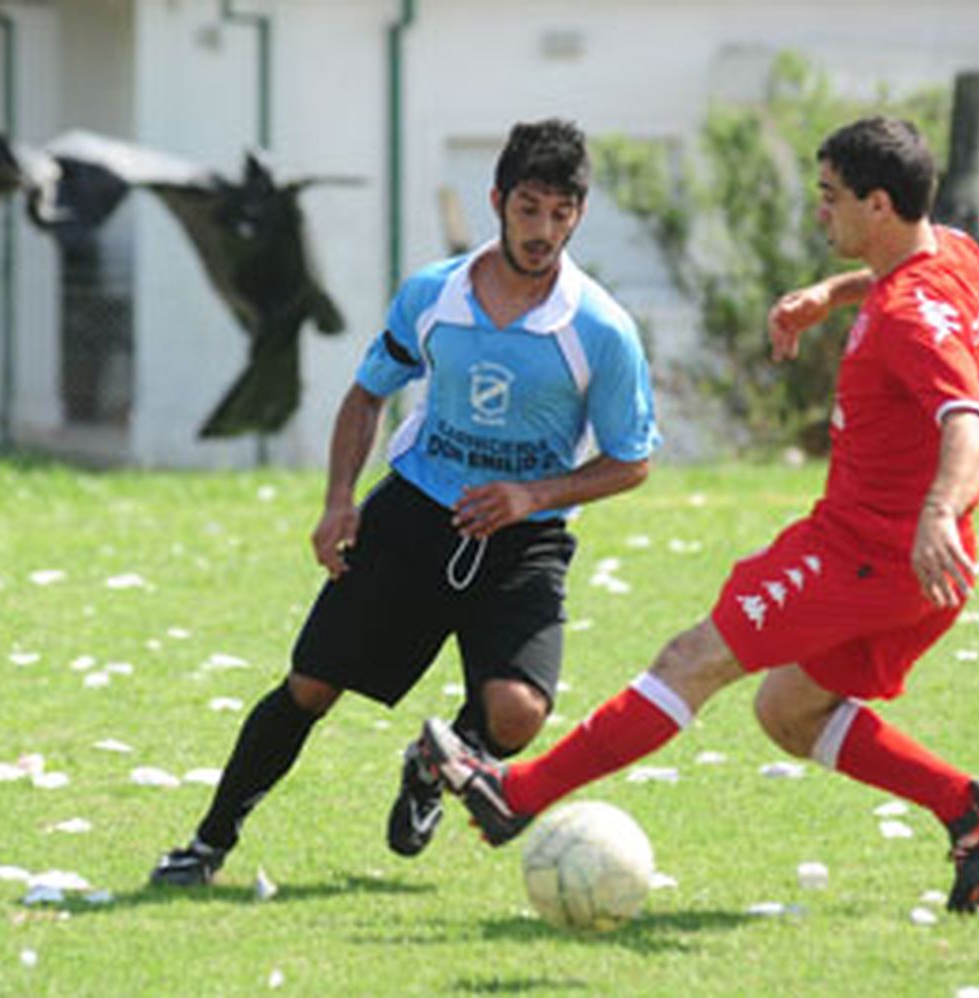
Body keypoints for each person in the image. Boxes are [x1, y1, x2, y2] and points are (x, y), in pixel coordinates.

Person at [422, 116, 979, 915]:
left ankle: (516, 796)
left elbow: (971, 424)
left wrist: (939, 509)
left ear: (879, 204)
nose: (821, 214)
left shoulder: (913, 322)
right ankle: (968, 807)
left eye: (831, 198)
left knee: (690, 662)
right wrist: (832, 296)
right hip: (912, 566)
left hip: (868, 552)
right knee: (788, 711)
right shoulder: (952, 252)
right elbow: (905, 288)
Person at [150, 119, 660, 886]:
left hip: (524, 540)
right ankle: (207, 844)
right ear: (498, 201)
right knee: (310, 687)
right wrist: (337, 503)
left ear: (580, 214)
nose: (543, 230)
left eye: (561, 213)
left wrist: (533, 493)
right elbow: (364, 398)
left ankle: (433, 763)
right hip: (415, 517)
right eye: (529, 209)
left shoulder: (601, 329)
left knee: (519, 712)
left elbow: (632, 460)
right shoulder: (434, 295)